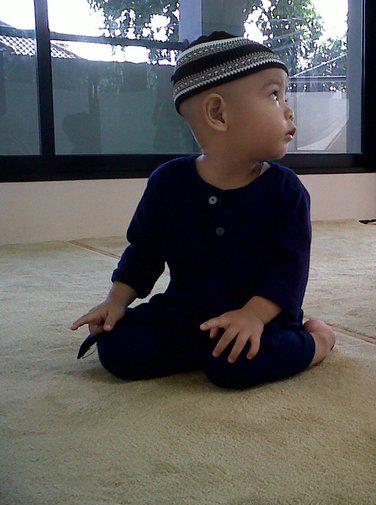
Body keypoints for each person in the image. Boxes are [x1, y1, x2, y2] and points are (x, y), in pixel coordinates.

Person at [71, 32, 335, 388]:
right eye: (274, 95)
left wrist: (253, 315)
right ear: (218, 113)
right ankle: (199, 349)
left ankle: (317, 341)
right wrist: (116, 302)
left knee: (235, 366)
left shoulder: (285, 191)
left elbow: (288, 271)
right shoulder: (169, 183)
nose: (289, 109)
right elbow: (144, 251)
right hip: (187, 311)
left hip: (261, 315)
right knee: (118, 348)